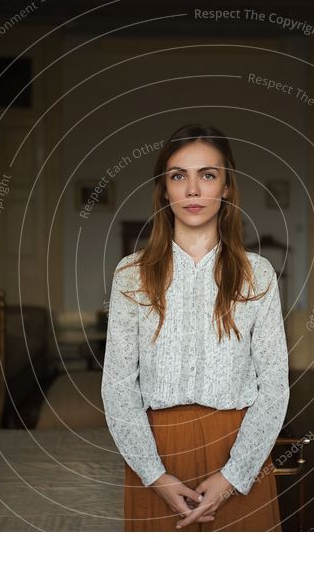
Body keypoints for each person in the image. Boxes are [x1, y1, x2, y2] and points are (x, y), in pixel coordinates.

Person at [101, 123, 290, 532]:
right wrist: (154, 474)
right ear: (164, 189)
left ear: (226, 187)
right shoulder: (129, 276)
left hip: (240, 451)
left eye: (207, 175)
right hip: (156, 452)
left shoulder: (258, 275)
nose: (192, 190)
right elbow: (117, 384)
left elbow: (275, 384)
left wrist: (234, 475)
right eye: (177, 176)